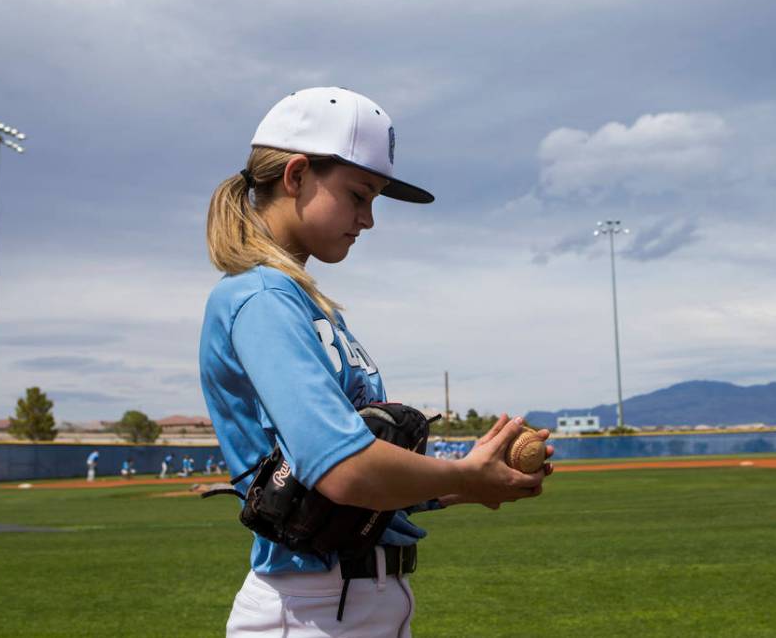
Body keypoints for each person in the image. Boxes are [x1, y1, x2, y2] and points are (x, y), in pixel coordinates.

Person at [199, 86, 553, 637]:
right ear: (295, 176)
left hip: (356, 603)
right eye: (358, 195)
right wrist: (463, 474)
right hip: (311, 608)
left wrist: (474, 482)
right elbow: (342, 471)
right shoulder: (261, 299)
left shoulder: (304, 302)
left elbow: (355, 493)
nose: (368, 219)